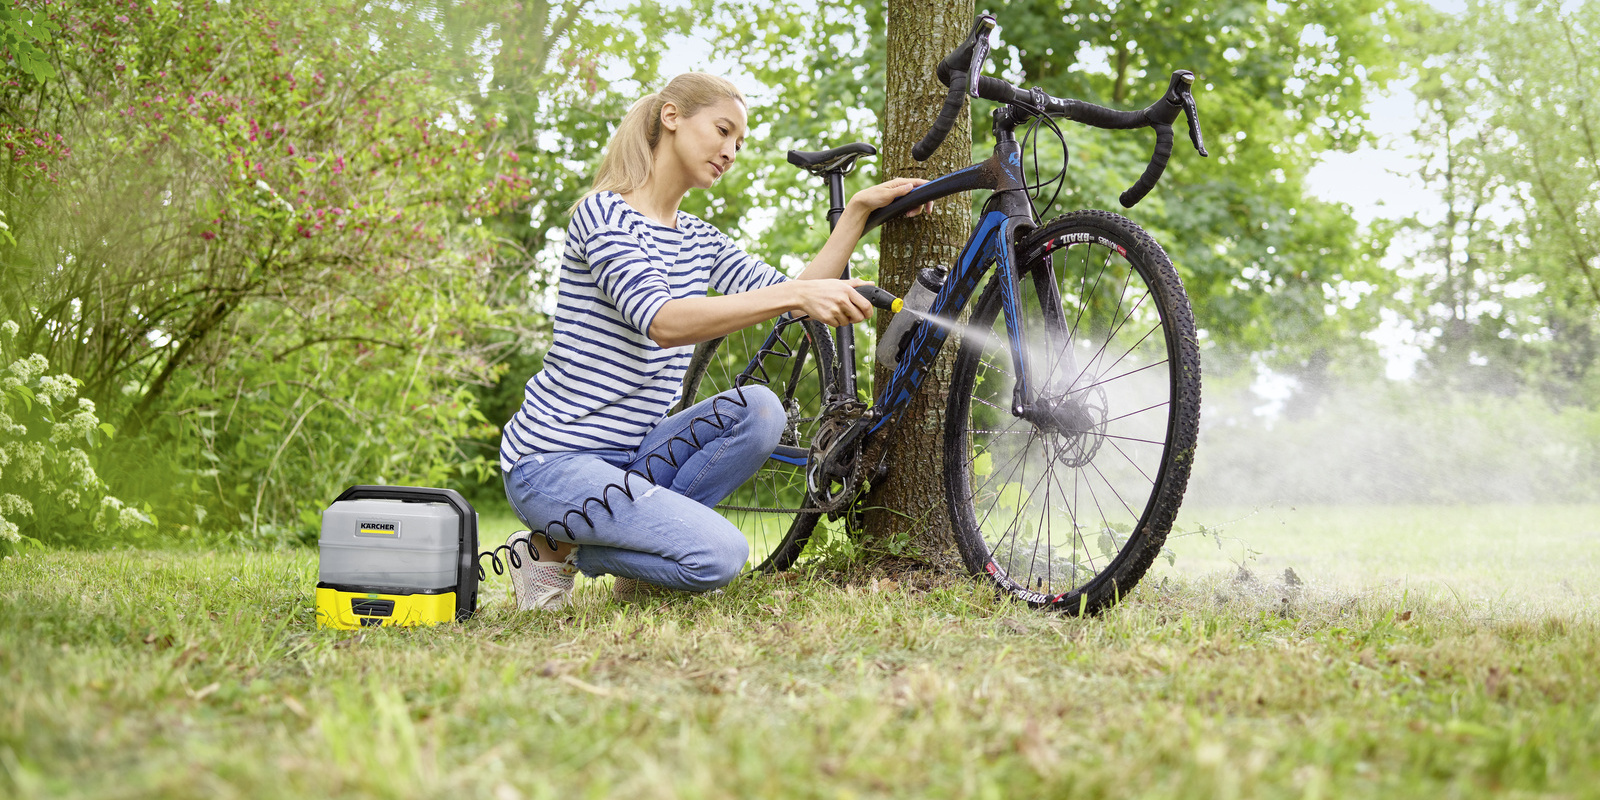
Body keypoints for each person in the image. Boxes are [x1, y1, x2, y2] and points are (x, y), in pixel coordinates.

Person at [499, 73, 928, 610]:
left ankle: (634, 555)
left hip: (636, 459)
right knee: (720, 557)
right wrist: (797, 295)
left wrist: (859, 214)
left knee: (761, 410)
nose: (730, 152)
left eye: (739, 144)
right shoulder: (603, 215)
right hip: (553, 462)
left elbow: (792, 293)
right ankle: (547, 548)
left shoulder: (700, 239)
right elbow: (663, 321)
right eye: (723, 131)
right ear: (672, 117)